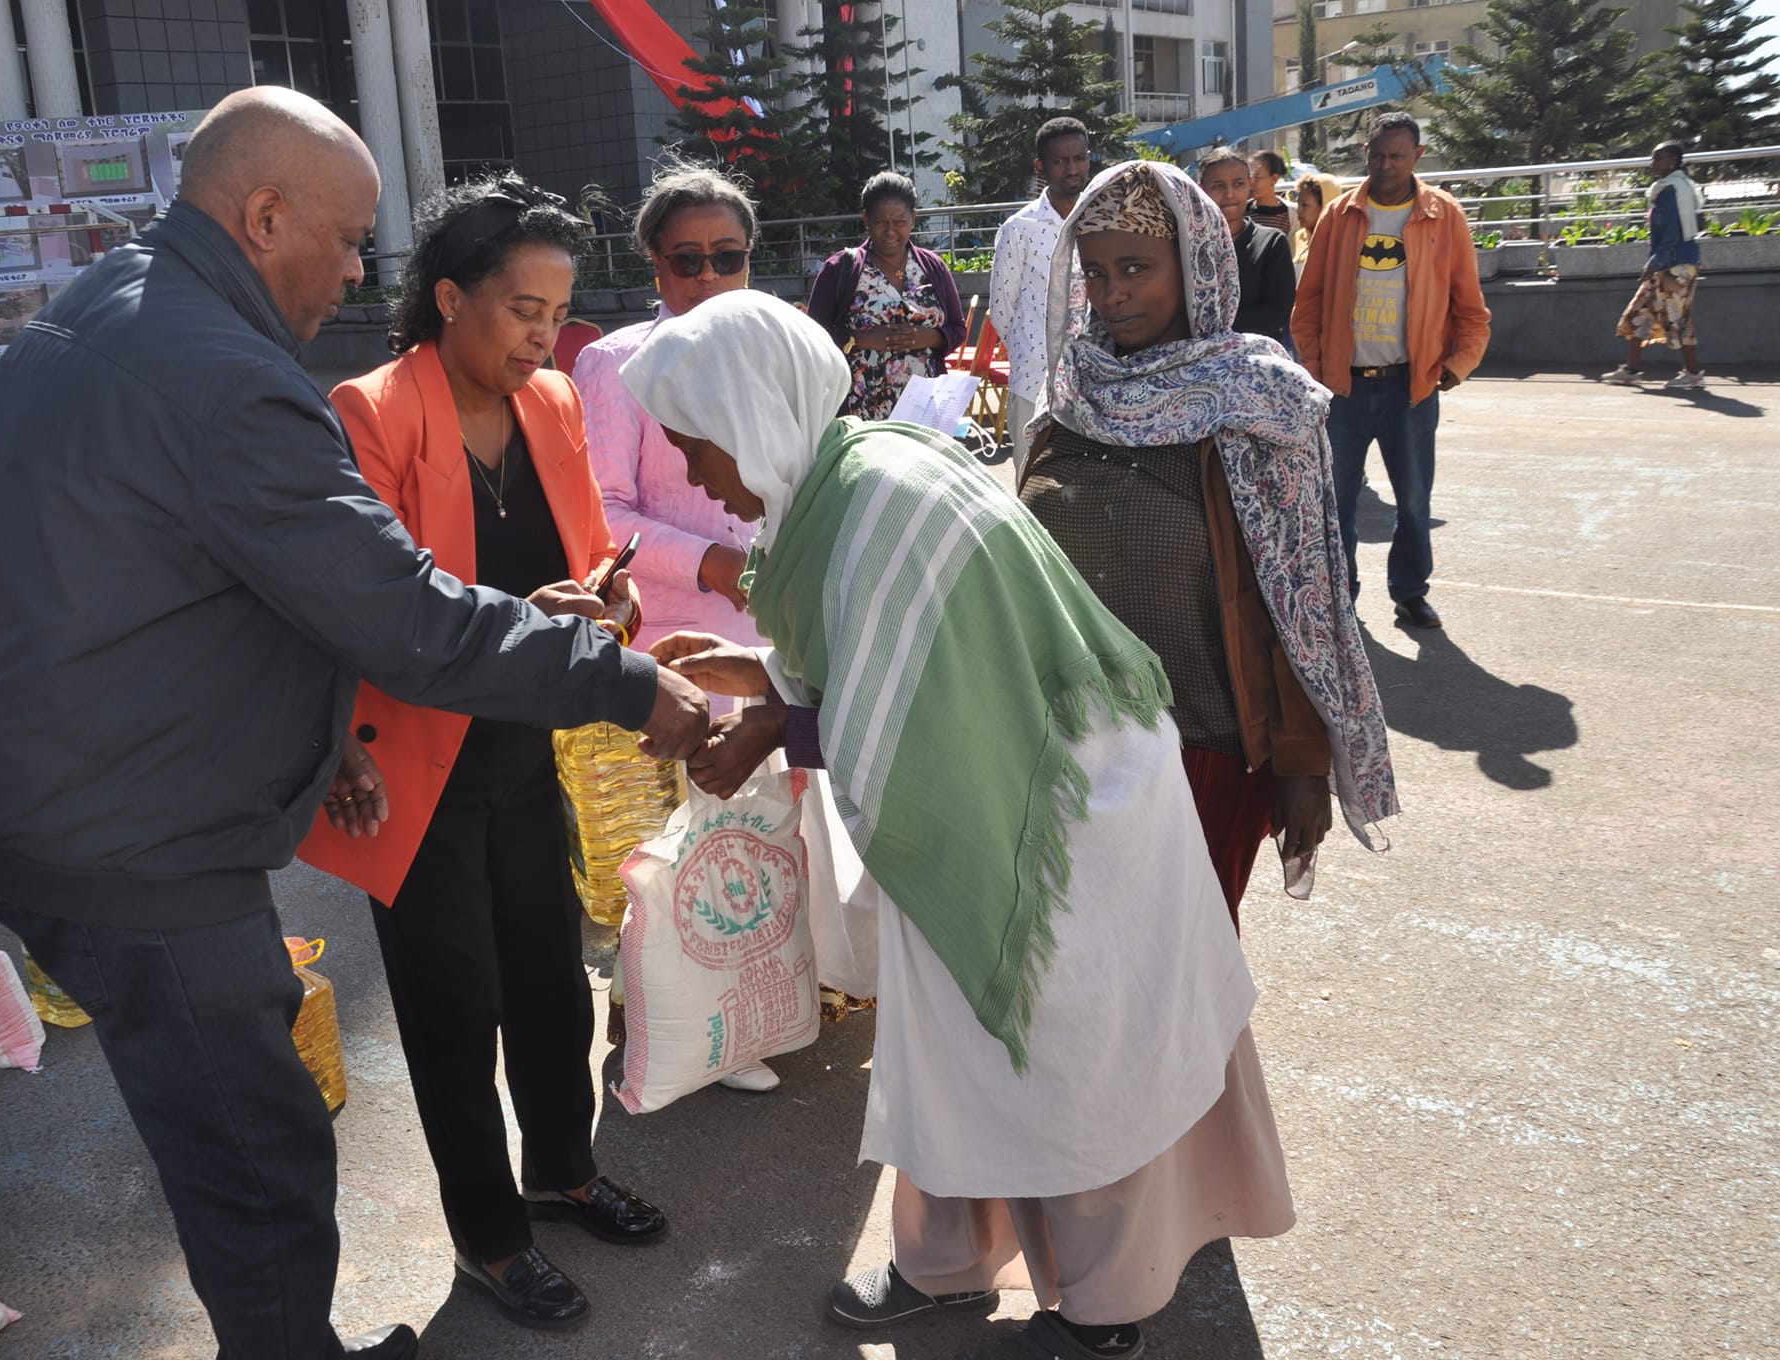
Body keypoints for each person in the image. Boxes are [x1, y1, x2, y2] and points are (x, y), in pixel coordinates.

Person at [0, 90, 708, 1360]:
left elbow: (196, 572)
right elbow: (398, 615)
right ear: (262, 212)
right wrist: (622, 680)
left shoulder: (109, 304)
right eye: (344, 239)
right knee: (256, 1157)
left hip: (66, 781)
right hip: (131, 833)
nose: (354, 269)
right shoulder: (236, 385)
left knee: (500, 1004)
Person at [621, 289, 1298, 1360]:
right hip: (1003, 791)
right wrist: (757, 682)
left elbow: (908, 699)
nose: (696, 475)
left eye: (695, 445)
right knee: (950, 1050)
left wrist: (767, 727)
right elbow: (884, 672)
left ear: (751, 416)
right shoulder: (849, 481)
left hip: (1047, 816)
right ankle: (943, 1266)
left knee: (1054, 1052)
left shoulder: (874, 499)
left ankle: (1102, 1304)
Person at [296, 174, 674, 1334]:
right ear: (449, 297)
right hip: (408, 764)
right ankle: (488, 1239)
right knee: (453, 1011)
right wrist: (520, 609)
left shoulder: (553, 400)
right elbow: (365, 606)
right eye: (520, 309)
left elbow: (584, 549)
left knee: (551, 979)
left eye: (556, 312)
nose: (541, 336)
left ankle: (560, 1169)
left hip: (519, 746)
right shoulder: (370, 408)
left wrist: (592, 598)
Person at [1020, 159, 1398, 931]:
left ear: (1193, 266)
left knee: (1181, 970)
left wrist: (1301, 763)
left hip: (1202, 749)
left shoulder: (1256, 402)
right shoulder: (1072, 397)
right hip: (1073, 750)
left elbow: (1301, 602)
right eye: (1094, 273)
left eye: (1136, 267)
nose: (1112, 292)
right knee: (1086, 972)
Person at [570, 159, 784, 1092]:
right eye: (684, 260)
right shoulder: (616, 366)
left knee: (759, 828)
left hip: (773, 628)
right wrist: (714, 565)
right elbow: (602, 511)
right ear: (652, 267)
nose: (706, 279)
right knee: (671, 840)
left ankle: (754, 997)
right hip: (673, 642)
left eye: (726, 259)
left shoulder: (780, 346)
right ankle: (670, 1017)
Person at [1292, 109, 1490, 631]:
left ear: (1417, 157)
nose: (1384, 165)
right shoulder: (1338, 216)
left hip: (1412, 385)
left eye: (1396, 156)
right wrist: (1315, 369)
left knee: (1414, 499)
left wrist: (1457, 365)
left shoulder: (1444, 216)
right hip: (1343, 387)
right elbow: (1308, 303)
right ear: (1366, 153)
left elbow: (1471, 308)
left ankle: (1409, 592)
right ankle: (1341, 596)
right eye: (1376, 154)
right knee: (1335, 504)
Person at [805, 171, 966, 419]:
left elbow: (957, 329)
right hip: (861, 408)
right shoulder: (841, 269)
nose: (891, 232)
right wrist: (859, 340)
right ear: (866, 219)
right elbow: (812, 337)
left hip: (925, 408)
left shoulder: (932, 267)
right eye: (881, 222)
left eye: (900, 222)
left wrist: (928, 337)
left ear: (913, 218)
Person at [991, 116, 1094, 471]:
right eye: (1060, 161)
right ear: (1041, 166)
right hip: (1034, 379)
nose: (1071, 168)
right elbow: (1002, 310)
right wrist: (1033, 351)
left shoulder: (1103, 221)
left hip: (1094, 379)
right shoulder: (1019, 229)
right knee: (1030, 479)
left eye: (1079, 158)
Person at [1602, 140, 1704, 390]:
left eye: (1657, 158)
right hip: (1672, 263)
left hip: (1674, 265)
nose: (1652, 163)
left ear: (1672, 160)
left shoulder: (1672, 190)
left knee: (1677, 319)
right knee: (1639, 313)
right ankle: (1631, 370)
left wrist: (1654, 263)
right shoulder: (1679, 188)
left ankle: (1693, 373)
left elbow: (1671, 234)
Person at [1197, 147, 1296, 343]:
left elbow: (1277, 311)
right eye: (1218, 186)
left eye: (1238, 184)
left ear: (1249, 185)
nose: (1229, 194)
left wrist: (1212, 330)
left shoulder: (1271, 243)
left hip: (1255, 358)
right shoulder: (1188, 245)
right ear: (1201, 190)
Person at [1291, 170, 1344, 276]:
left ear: (1325, 207)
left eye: (1305, 205)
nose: (1298, 211)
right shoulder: (1298, 237)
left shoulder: (1342, 242)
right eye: (1298, 204)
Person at [1246, 149, 1295, 236]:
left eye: (1256, 177)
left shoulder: (1291, 214)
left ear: (1274, 179)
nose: (1251, 183)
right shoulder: (1243, 211)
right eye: (1249, 177)